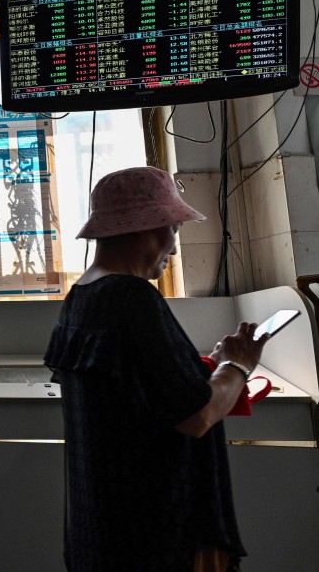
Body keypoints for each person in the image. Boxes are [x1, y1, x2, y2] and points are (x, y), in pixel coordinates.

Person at [44, 166, 269, 572]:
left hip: (103, 532)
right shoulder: (131, 299)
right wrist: (239, 364)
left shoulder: (82, 296)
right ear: (147, 228)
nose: (174, 249)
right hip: (160, 535)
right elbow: (197, 415)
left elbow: (145, 391)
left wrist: (213, 367)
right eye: (174, 230)